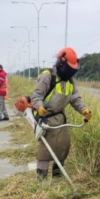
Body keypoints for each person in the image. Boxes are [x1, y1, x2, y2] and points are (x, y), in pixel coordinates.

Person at [31, 47, 92, 180]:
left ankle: (58, 178)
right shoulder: (48, 76)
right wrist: (39, 107)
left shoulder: (70, 81)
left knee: (63, 146)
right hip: (46, 118)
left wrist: (84, 110)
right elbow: (36, 96)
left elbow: (75, 98)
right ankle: (41, 180)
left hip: (61, 118)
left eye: (73, 70)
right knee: (45, 150)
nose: (70, 73)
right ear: (61, 63)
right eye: (69, 69)